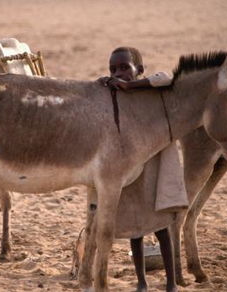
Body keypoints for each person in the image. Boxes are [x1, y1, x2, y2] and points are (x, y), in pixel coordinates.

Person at [99, 47, 181, 292]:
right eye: (114, 69)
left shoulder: (151, 91)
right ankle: (142, 283)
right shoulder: (115, 95)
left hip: (153, 170)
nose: (119, 73)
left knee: (162, 226)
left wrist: (130, 87)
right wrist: (103, 85)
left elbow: (168, 78)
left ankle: (171, 283)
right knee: (136, 229)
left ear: (140, 70)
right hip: (131, 170)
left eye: (125, 67)